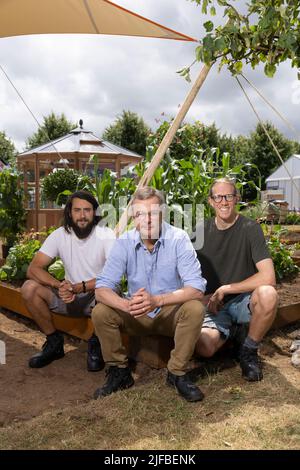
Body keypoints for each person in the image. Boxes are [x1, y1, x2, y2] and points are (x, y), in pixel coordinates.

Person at [92, 187, 207, 402]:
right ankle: (119, 372)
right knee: (101, 312)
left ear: (162, 213)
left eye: (153, 213)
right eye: (139, 214)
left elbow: (196, 287)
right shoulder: (124, 242)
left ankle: (176, 373)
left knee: (195, 308)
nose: (147, 220)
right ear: (134, 218)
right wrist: (127, 306)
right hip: (135, 313)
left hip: (168, 313)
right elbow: (102, 288)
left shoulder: (178, 238)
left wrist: (157, 300)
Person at [195, 177, 278, 381]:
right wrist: (201, 297)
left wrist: (227, 288)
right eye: (218, 197)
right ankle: (234, 332)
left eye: (229, 196)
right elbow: (186, 272)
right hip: (214, 305)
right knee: (204, 348)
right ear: (210, 201)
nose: (224, 202)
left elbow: (268, 276)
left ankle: (248, 351)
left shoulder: (250, 228)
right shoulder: (199, 231)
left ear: (237, 199)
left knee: (268, 294)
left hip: (243, 302)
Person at [21, 190, 115, 371]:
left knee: (110, 290)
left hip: (95, 298)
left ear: (94, 212)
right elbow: (33, 268)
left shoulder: (106, 234)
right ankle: (54, 342)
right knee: (29, 288)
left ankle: (96, 343)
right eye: (77, 210)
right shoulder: (59, 235)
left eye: (87, 210)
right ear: (69, 213)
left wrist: (82, 287)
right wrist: (59, 285)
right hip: (68, 296)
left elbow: (113, 275)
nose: (82, 216)